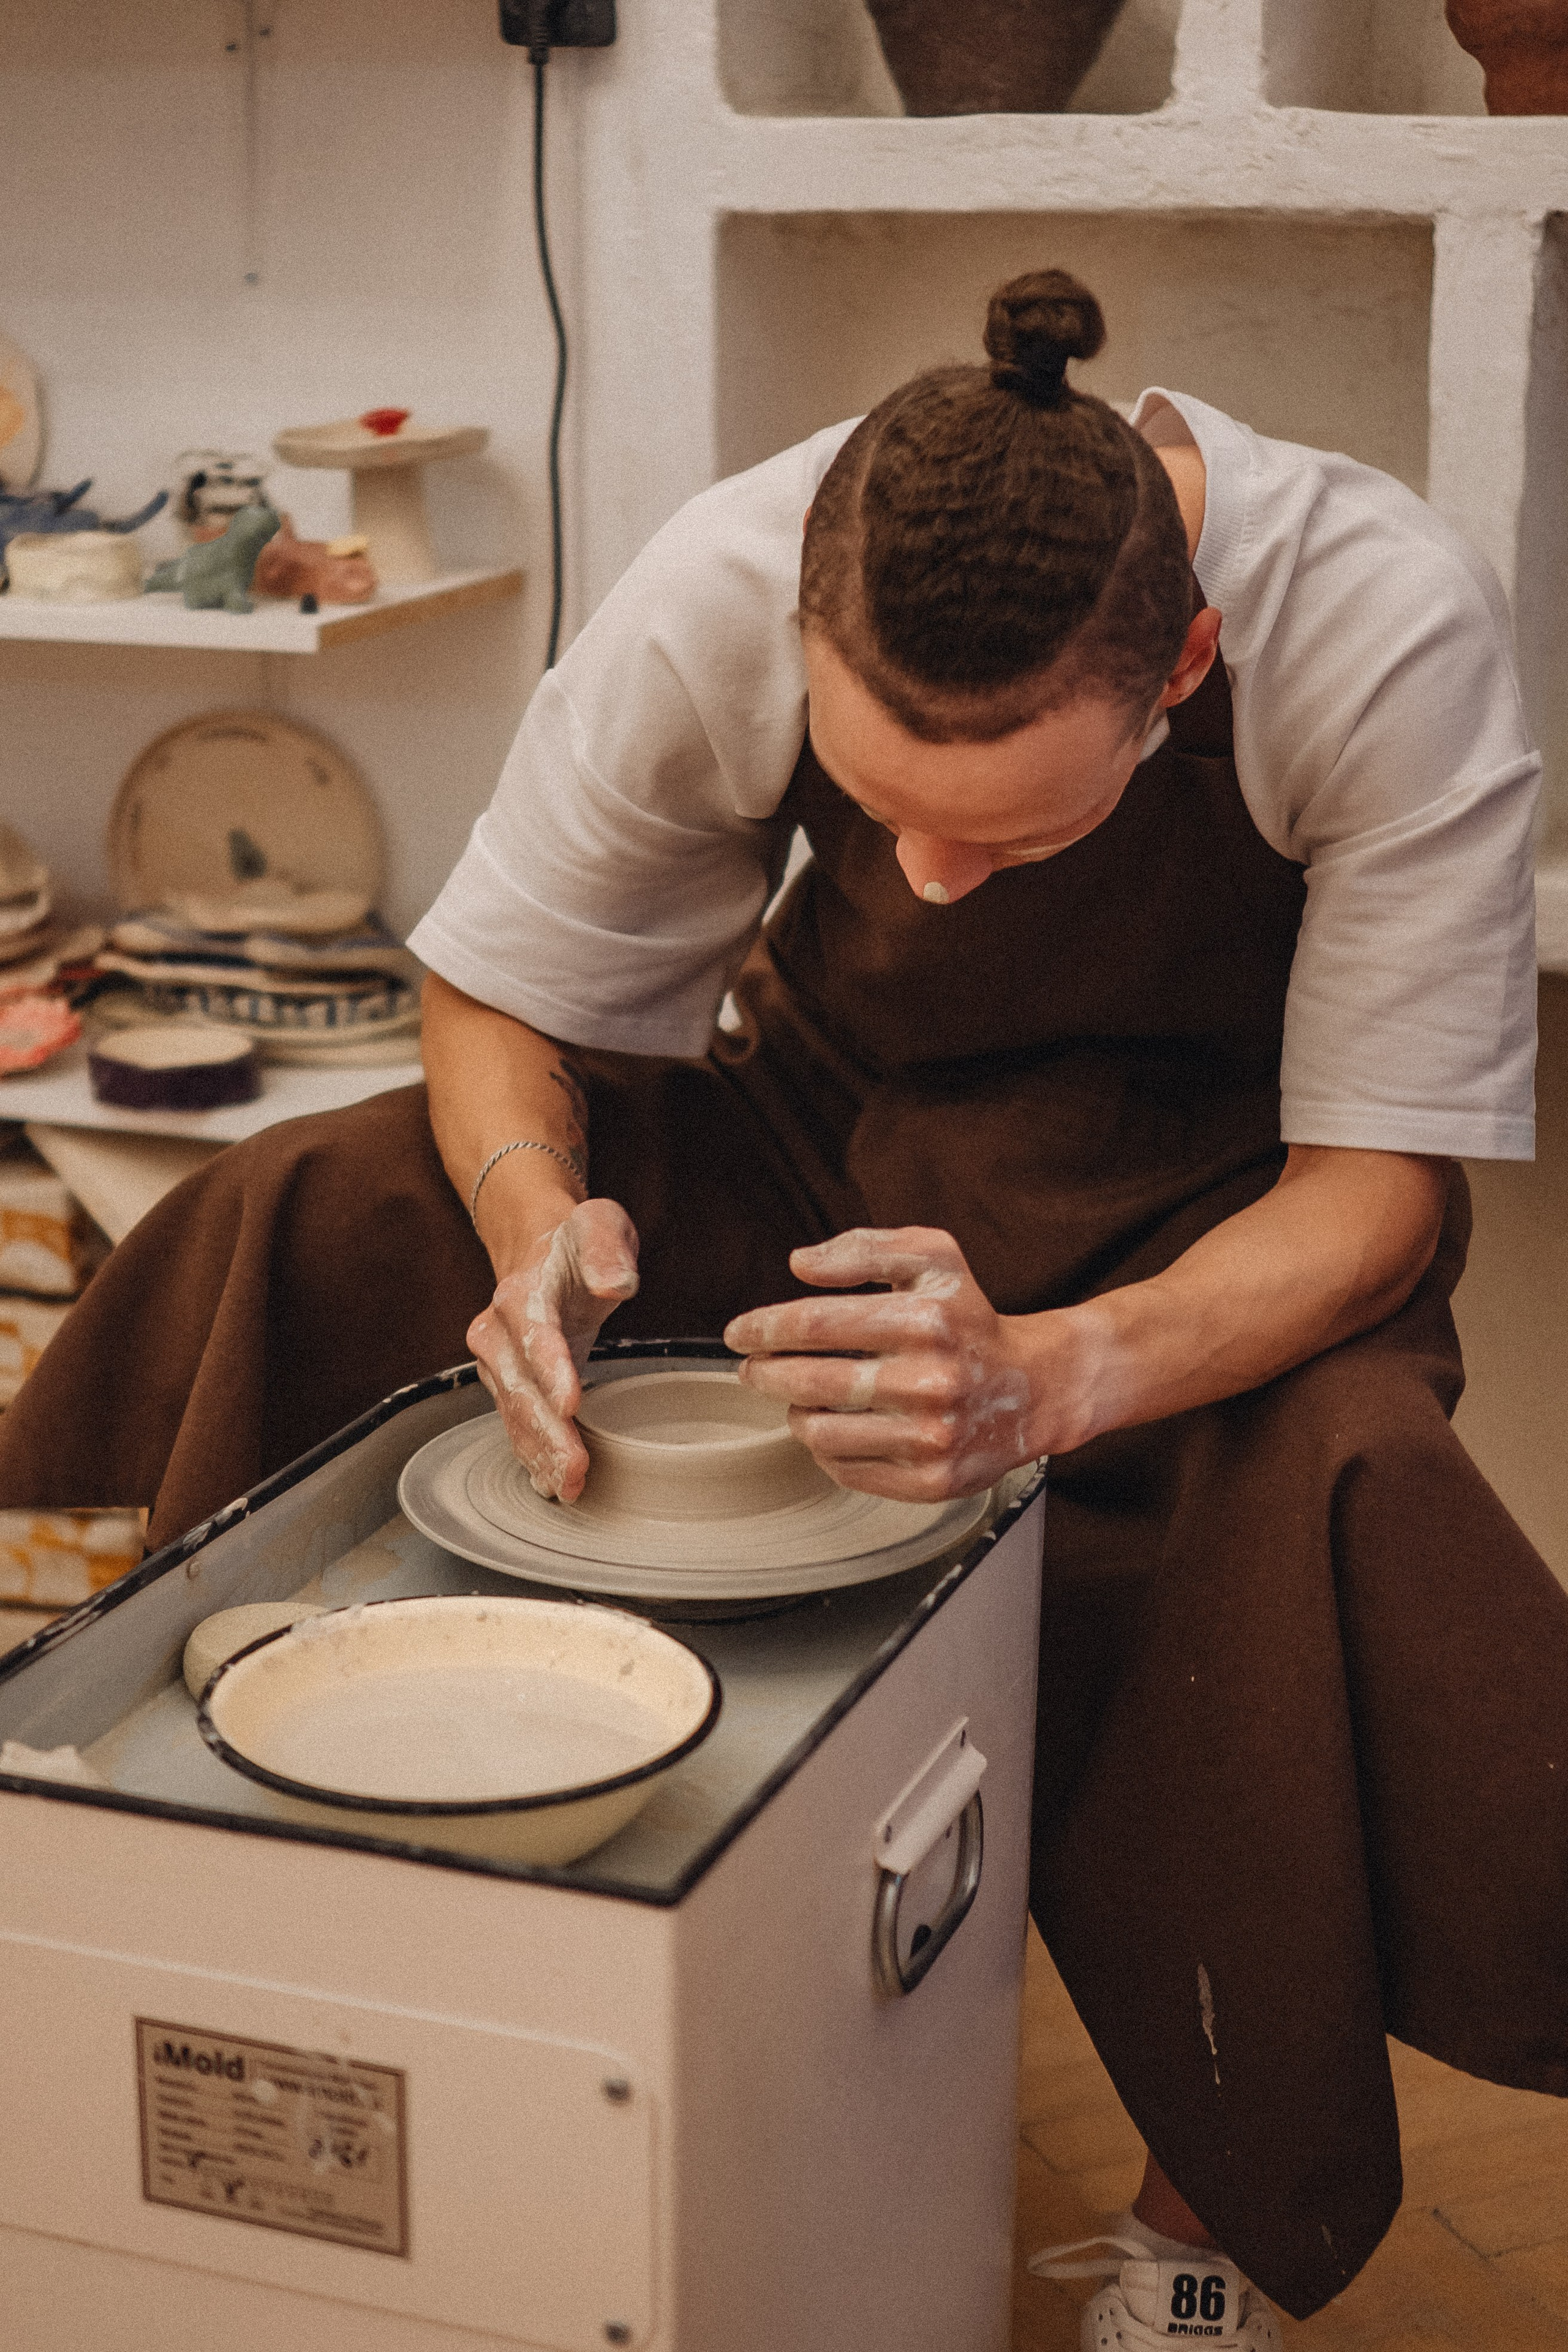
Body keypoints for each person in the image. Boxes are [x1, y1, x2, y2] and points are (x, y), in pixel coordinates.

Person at [4, 271, 1565, 2346]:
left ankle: (1204, 2240)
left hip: (1205, 1222)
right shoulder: (733, 568)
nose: (923, 875)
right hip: (837, 1150)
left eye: (1007, 828)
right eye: (879, 802)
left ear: (1185, 662)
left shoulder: (1376, 619)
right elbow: (497, 990)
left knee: (1342, 1480)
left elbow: (1379, 1190)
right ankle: (223, 1873)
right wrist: (531, 1215)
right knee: (325, 1198)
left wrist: (1052, 1376)